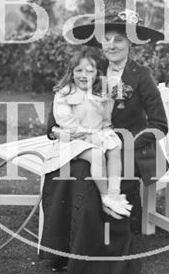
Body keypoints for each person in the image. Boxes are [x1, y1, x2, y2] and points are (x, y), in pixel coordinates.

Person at [39, 8, 169, 274]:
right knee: (71, 172)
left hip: (129, 150)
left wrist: (120, 141)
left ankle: (101, 262)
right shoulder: (92, 69)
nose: (111, 45)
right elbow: (57, 118)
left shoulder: (140, 75)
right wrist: (58, 132)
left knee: (91, 178)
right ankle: (64, 253)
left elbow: (159, 125)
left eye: (119, 40)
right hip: (87, 143)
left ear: (131, 43)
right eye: (106, 39)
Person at [44, 47, 132, 219]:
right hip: (73, 139)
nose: (84, 75)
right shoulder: (65, 92)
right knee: (97, 155)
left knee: (115, 148)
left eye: (89, 71)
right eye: (79, 70)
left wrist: (106, 131)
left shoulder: (101, 94)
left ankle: (115, 192)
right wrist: (84, 133)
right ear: (71, 72)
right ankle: (105, 196)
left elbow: (106, 119)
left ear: (96, 74)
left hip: (96, 134)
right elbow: (63, 118)